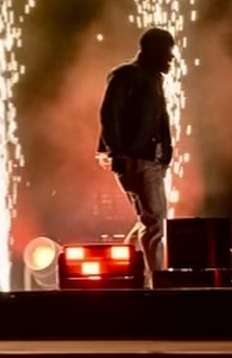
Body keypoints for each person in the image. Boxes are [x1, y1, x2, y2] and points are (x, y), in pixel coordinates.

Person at [96, 27, 175, 287]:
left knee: (150, 219)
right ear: (152, 51)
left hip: (147, 158)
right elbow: (110, 114)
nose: (171, 58)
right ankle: (156, 281)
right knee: (154, 221)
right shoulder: (127, 75)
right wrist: (118, 152)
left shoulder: (151, 78)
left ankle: (125, 269)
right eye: (167, 51)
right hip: (137, 158)